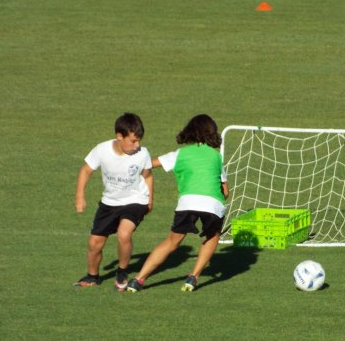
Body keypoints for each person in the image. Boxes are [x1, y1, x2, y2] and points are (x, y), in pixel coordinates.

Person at [126, 114, 229, 293]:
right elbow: (226, 191)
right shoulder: (216, 157)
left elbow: (149, 165)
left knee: (172, 242)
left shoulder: (180, 154)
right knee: (212, 236)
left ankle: (138, 280)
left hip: (186, 203)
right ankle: (193, 277)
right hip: (213, 204)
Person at [74, 112, 153, 289]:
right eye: (133, 141)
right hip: (109, 202)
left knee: (124, 234)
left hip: (135, 200)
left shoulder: (142, 154)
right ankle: (92, 276)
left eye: (139, 140)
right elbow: (85, 171)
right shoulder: (101, 150)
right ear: (119, 136)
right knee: (94, 243)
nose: (137, 145)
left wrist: (150, 200)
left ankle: (122, 271)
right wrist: (80, 197)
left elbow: (147, 176)